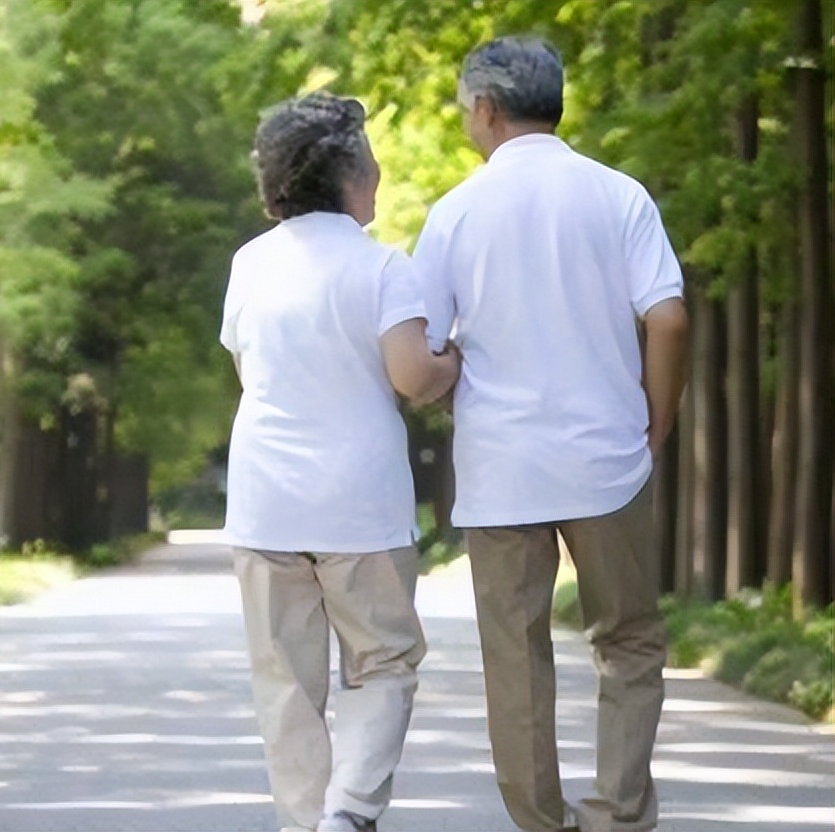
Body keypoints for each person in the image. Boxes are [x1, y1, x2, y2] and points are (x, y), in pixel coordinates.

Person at [411, 36, 690, 832]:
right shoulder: (619, 195)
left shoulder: (456, 211)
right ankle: (619, 813)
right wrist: (655, 423)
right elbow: (667, 316)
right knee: (629, 641)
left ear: (488, 110)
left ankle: (540, 822)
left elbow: (423, 346)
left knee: (516, 655)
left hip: (501, 469)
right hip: (609, 459)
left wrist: (450, 376)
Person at [220, 92, 460, 832]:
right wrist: (452, 362)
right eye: (372, 161)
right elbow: (413, 377)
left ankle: (308, 822)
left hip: (264, 503)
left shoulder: (249, 263)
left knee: (285, 682)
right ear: (349, 174)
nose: (382, 175)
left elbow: (246, 365)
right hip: (359, 504)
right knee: (383, 664)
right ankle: (349, 814)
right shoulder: (382, 266)